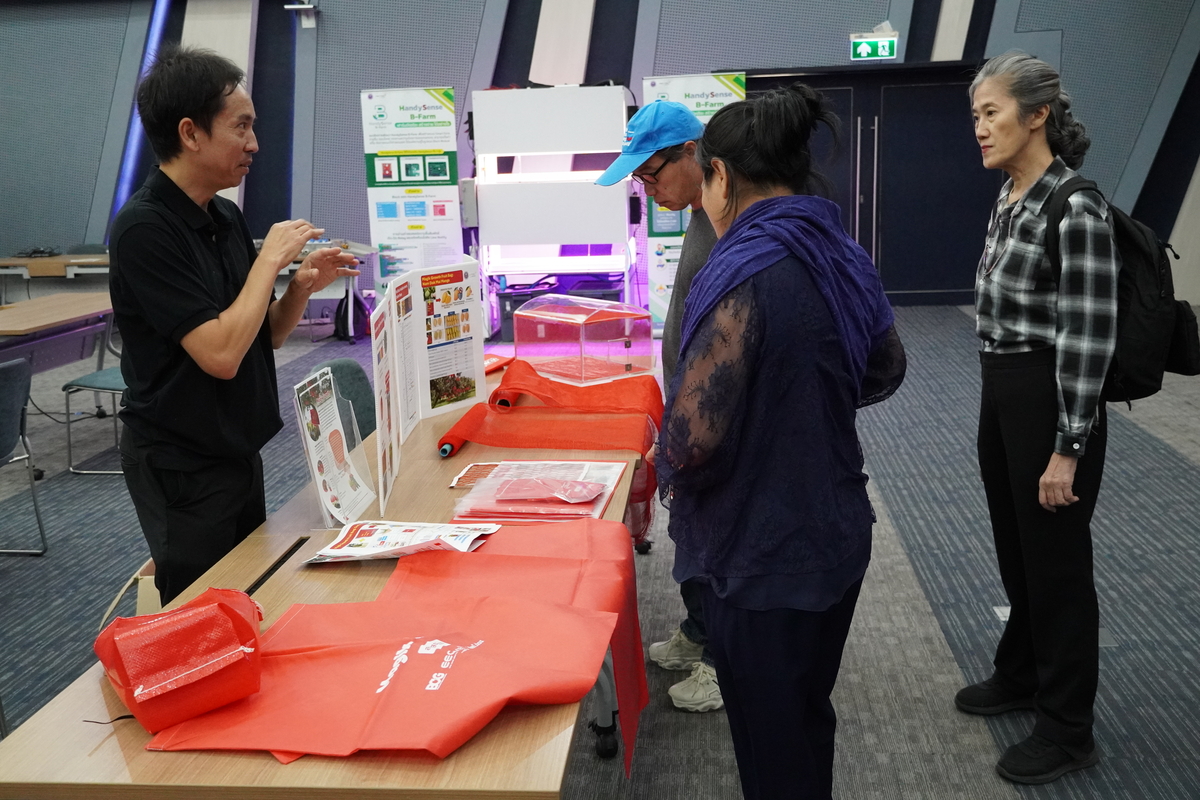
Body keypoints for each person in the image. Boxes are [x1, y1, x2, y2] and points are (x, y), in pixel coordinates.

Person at [655, 84, 897, 799]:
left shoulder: (742, 270)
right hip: (836, 527)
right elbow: (887, 366)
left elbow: (693, 441)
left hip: (765, 554)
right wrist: (800, 395)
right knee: (804, 716)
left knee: (770, 744)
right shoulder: (838, 248)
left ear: (720, 175)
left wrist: (660, 459)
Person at [110, 45, 359, 605]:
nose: (254, 143)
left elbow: (261, 337)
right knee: (201, 610)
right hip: (180, 460)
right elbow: (220, 356)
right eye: (240, 126)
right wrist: (269, 260)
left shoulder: (223, 214)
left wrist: (299, 286)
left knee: (248, 592)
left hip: (234, 447)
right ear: (190, 133)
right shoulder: (145, 229)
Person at [958, 51, 1117, 785]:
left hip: (1052, 398)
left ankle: (1068, 727)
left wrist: (1068, 447)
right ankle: (1022, 672)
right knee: (1018, 547)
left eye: (991, 112)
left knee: (1057, 566)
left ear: (1037, 115)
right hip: (1003, 387)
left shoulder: (1075, 205)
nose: (980, 127)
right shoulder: (1011, 194)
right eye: (976, 115)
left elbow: (1088, 337)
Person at [596, 101, 723, 712]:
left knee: (719, 536)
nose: (647, 190)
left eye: (650, 174)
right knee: (691, 528)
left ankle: (723, 662)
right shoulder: (700, 213)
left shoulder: (730, 222)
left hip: (713, 414)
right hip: (688, 405)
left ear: (692, 153)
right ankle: (699, 632)